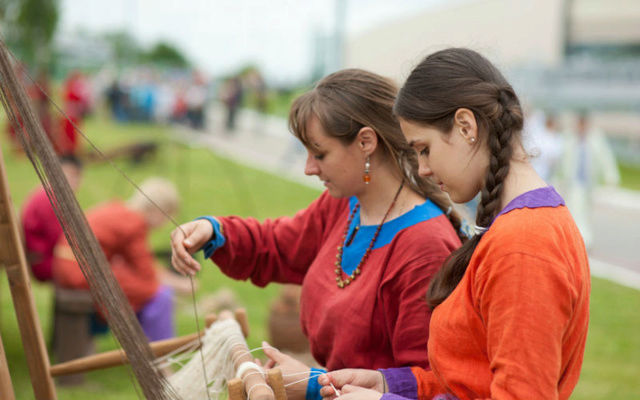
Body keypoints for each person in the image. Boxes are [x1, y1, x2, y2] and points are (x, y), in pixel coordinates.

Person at [170, 69, 463, 400]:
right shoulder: (344, 205)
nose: (309, 168)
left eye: (320, 154)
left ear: (366, 142)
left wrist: (315, 384)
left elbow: (433, 383)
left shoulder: (424, 246)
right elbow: (277, 246)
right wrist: (214, 230)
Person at [318, 48, 590, 400]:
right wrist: (393, 384)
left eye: (425, 149)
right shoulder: (518, 229)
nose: (423, 169)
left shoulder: (524, 243)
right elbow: (470, 382)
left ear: (466, 126)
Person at [53, 177, 184, 342]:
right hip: (78, 270)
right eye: (167, 216)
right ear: (158, 211)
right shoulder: (133, 222)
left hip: (69, 265)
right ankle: (160, 351)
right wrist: (175, 283)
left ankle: (151, 345)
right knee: (155, 292)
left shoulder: (120, 211)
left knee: (145, 287)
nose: (164, 223)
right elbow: (145, 270)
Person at [558, 110, 619, 249]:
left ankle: (584, 238)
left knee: (585, 211)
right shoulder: (569, 138)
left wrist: (611, 176)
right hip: (573, 183)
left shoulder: (596, 139)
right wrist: (558, 178)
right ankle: (579, 239)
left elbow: (606, 158)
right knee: (574, 209)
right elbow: (560, 159)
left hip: (588, 183)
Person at [21, 155, 83, 282]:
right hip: (43, 261)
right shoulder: (50, 199)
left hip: (47, 256)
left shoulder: (51, 194)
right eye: (67, 175)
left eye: (76, 176)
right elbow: (60, 238)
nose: (72, 181)